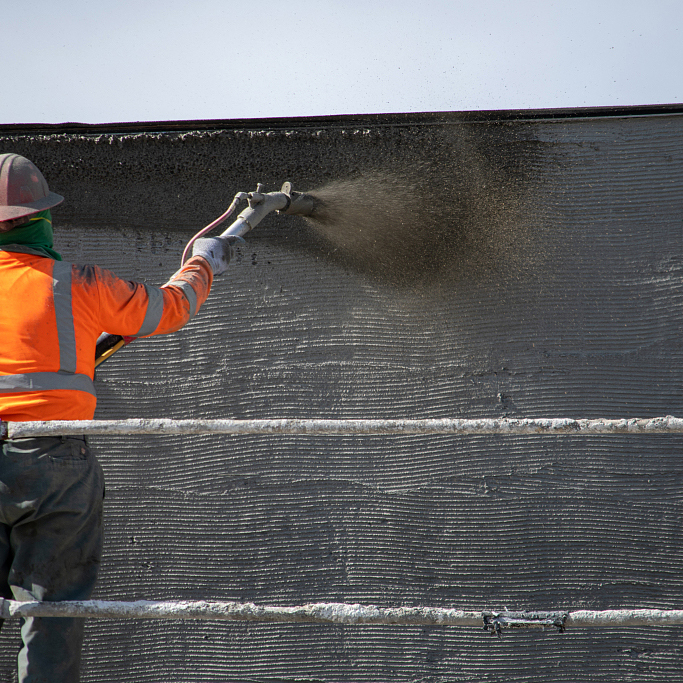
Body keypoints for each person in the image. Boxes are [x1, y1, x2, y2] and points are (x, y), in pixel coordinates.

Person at [0, 152, 233, 682]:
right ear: (40, 217)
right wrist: (202, 263)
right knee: (53, 614)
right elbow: (170, 308)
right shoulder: (78, 283)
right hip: (52, 462)